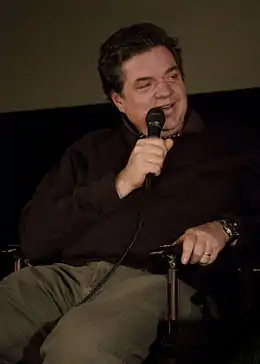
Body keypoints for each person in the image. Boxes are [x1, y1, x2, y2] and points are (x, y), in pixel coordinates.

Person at [0, 22, 259, 364]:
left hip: (161, 282)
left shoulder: (233, 145)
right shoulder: (89, 151)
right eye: (145, 84)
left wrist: (225, 229)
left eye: (172, 76)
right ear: (119, 100)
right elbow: (34, 236)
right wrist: (120, 185)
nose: (165, 93)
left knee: (79, 344)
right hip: (66, 278)